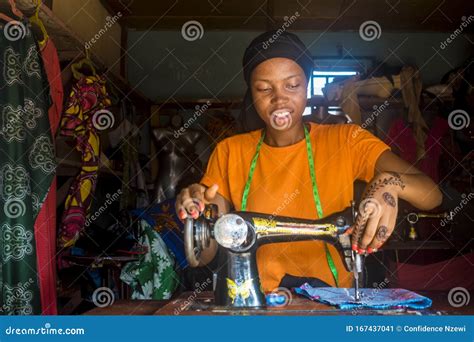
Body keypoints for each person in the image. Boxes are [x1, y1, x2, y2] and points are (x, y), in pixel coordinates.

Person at [175, 30, 442, 292]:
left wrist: (390, 183)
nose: (279, 98)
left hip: (332, 300)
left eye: (292, 85)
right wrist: (195, 214)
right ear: (251, 93)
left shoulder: (347, 141)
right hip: (260, 302)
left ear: (307, 85)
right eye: (264, 88)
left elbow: (432, 195)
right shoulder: (230, 152)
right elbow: (205, 254)